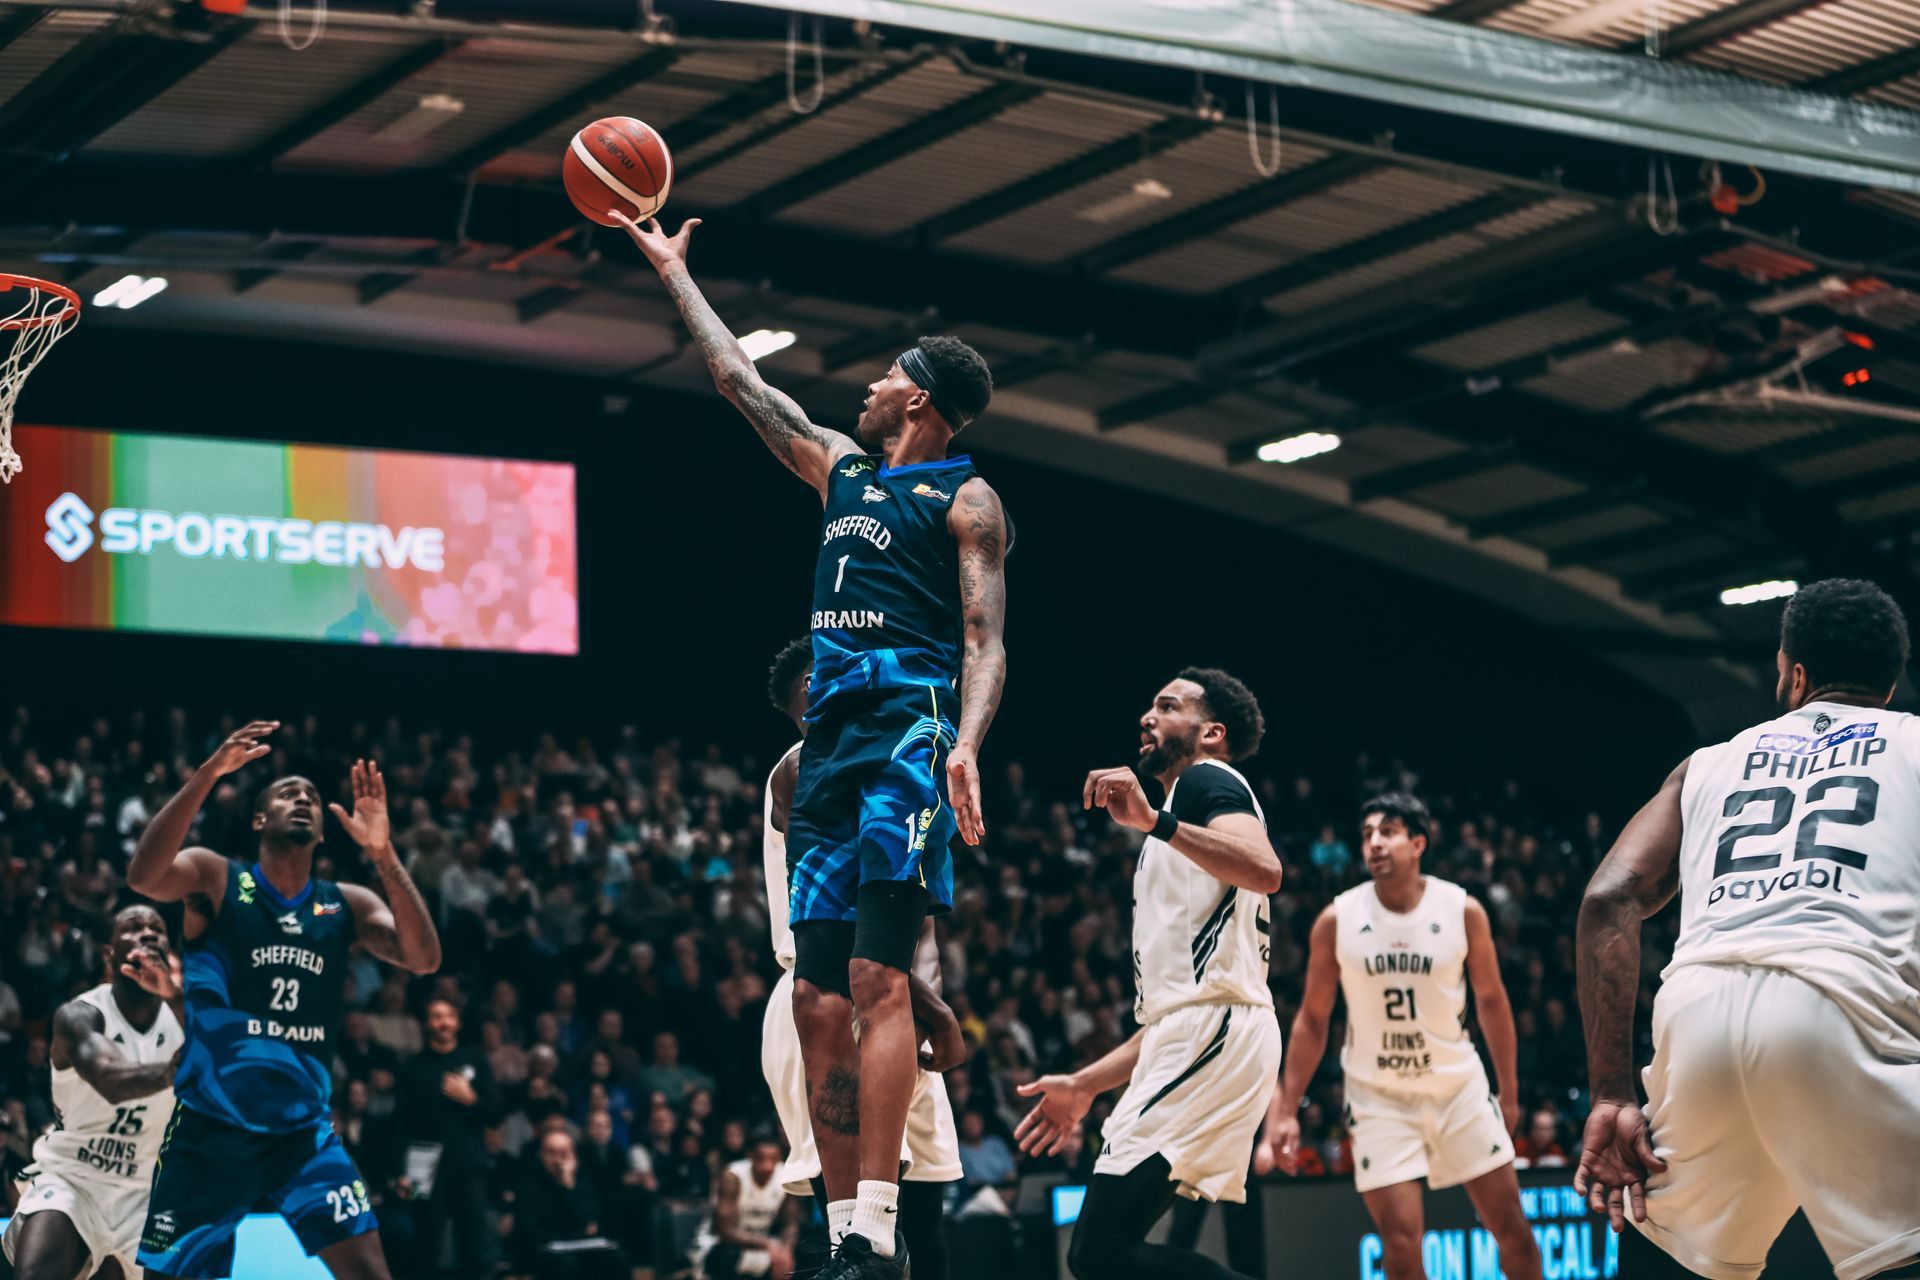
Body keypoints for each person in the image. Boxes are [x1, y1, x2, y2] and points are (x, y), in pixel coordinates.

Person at [620, 212, 1007, 1280]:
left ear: (919, 398)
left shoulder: (965, 498)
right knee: (813, 995)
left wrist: (966, 744)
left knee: (882, 975)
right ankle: (846, 1236)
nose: (868, 387)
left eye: (886, 375)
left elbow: (985, 636)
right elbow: (743, 382)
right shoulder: (841, 470)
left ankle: (877, 1226)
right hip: (834, 740)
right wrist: (676, 274)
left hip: (907, 731)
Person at [1577, 578, 1920, 1279]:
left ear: (1795, 673)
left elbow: (1606, 900)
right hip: (1843, 1011)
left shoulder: (1706, 765)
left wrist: (1612, 1092)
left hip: (1700, 1019)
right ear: (1889, 687)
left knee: (1671, 1252)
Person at [125, 724, 441, 1280]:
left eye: (313, 798)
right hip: (211, 1130)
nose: (303, 800)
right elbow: (144, 876)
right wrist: (208, 775)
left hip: (303, 1135)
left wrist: (385, 855)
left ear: (323, 831)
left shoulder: (344, 903)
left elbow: (423, 959)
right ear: (258, 820)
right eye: (288, 794)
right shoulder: (218, 879)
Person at [1015, 669, 1284, 1280]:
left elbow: (1266, 869)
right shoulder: (1176, 814)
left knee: (1099, 1252)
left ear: (1211, 732)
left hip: (1216, 1033)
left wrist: (1154, 823)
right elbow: (1175, 1012)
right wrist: (1087, 1084)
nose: (1147, 716)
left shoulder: (1204, 780)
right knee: (1105, 1253)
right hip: (1203, 1032)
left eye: (1168, 706)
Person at [1254, 793, 1542, 1280]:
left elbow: (1492, 1002)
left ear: (1419, 842)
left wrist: (1508, 1092)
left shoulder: (1462, 910)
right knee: (1401, 1245)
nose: (1374, 843)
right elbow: (1312, 1019)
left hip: (1458, 1090)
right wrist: (1286, 1111)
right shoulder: (1337, 919)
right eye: (1367, 834)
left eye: (1387, 831)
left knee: (1511, 1228)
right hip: (1378, 1099)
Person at [757, 639, 967, 1280]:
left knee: (924, 1233)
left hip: (889, 1009)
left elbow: (904, 919)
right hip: (828, 996)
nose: (825, 699)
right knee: (860, 1245)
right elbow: (843, 933)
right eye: (809, 694)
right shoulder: (804, 766)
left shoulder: (897, 760)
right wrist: (937, 1012)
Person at [2, 906, 183, 1280]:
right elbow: (109, 1078)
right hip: (74, 1178)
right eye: (133, 929)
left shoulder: (184, 1018)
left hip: (144, 1191)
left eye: (157, 929)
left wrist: (181, 1001)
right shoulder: (80, 1015)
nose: (148, 933)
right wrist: (175, 1070)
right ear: (109, 955)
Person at [399, 998, 497, 1278]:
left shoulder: (475, 1058)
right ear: (427, 1023)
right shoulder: (414, 1067)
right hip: (423, 1171)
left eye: (448, 1016)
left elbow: (495, 1113)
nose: (443, 1022)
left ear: (458, 1022)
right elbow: (401, 1124)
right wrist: (401, 1172)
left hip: (469, 1167)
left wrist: (471, 1100)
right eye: (436, 1016)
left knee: (475, 1248)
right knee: (425, 1245)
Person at [691, 1138, 798, 1280]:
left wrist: (786, 1250)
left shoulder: (785, 1176)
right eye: (761, 1158)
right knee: (728, 1254)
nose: (767, 1166)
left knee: (804, 1251)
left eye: (773, 1159)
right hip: (720, 1245)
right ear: (750, 1155)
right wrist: (767, 1244)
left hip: (762, 1246)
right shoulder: (733, 1176)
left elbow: (791, 1223)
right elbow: (725, 1231)